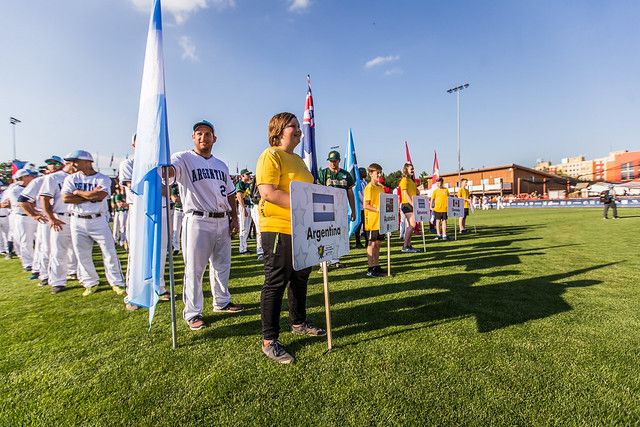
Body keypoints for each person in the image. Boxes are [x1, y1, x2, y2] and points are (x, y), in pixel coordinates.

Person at [256, 112, 326, 364]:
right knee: (276, 281)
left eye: (298, 125)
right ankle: (269, 340)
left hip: (302, 229)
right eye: (293, 126)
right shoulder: (271, 155)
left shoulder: (298, 160)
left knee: (300, 277)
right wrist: (305, 206)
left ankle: (298, 322)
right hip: (278, 227)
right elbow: (268, 192)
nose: (298, 129)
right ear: (278, 130)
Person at [166, 119, 244, 330]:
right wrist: (165, 168)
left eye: (207, 134)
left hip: (221, 219)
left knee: (222, 265)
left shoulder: (221, 164)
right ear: (193, 137)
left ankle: (222, 301)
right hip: (197, 219)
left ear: (214, 138)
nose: (203, 137)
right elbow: (169, 175)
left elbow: (230, 193)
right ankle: (192, 312)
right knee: (194, 269)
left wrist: (234, 217)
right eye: (199, 133)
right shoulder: (183, 158)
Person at [61, 150, 126, 297]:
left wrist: (77, 192)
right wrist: (89, 196)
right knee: (82, 254)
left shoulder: (102, 178)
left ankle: (116, 282)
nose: (73, 164)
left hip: (98, 219)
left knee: (109, 252)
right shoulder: (71, 178)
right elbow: (66, 198)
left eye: (75, 161)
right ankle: (90, 282)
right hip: (77, 219)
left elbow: (100, 196)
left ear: (87, 162)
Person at [40, 157, 79, 294]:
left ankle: (79, 274)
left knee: (78, 249)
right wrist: (51, 218)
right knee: (58, 251)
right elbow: (44, 198)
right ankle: (57, 281)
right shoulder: (54, 177)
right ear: (69, 163)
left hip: (78, 216)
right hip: (60, 216)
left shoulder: (80, 176)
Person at [317, 150, 356, 266]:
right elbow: (318, 191)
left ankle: (335, 259)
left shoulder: (346, 174)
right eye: (331, 161)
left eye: (335, 161)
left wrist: (353, 210)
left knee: (337, 235)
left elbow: (350, 193)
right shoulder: (323, 173)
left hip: (341, 209)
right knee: (324, 235)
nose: (332, 163)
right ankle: (323, 261)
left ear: (339, 160)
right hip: (326, 210)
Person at [5, 169, 38, 271]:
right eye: (30, 175)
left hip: (36, 215)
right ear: (24, 177)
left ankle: (38, 261)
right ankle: (28, 263)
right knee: (25, 241)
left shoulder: (34, 187)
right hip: (23, 216)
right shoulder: (14, 189)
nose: (33, 177)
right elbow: (20, 205)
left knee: (39, 240)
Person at [363, 163, 386, 277]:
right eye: (377, 173)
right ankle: (370, 267)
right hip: (371, 221)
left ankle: (376, 265)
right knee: (371, 244)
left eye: (380, 172)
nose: (379, 175)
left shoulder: (380, 187)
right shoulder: (369, 188)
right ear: (371, 174)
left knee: (378, 244)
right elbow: (366, 205)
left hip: (380, 221)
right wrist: (377, 209)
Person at [398, 163, 418, 252]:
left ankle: (409, 245)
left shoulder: (411, 181)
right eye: (411, 169)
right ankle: (405, 246)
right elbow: (405, 194)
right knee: (412, 224)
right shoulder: (404, 180)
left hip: (412, 204)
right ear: (406, 169)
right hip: (407, 204)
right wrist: (412, 204)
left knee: (411, 225)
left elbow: (414, 192)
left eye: (413, 169)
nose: (413, 170)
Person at [235, 168, 254, 255]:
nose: (249, 175)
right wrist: (243, 209)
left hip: (249, 206)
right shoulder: (240, 183)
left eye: (249, 174)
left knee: (247, 228)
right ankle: (242, 249)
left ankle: (244, 247)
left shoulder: (248, 184)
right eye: (247, 174)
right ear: (242, 175)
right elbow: (239, 196)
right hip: (244, 207)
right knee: (243, 228)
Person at [248, 175, 264, 261]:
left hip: (261, 205)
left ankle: (265, 250)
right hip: (257, 205)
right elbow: (254, 196)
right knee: (259, 231)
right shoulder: (258, 178)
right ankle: (260, 252)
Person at [354, 167, 367, 248]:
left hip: (366, 207)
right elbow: (359, 195)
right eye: (364, 172)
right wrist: (365, 203)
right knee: (359, 226)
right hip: (360, 208)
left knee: (366, 225)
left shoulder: (365, 182)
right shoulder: (357, 183)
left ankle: (367, 241)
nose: (365, 173)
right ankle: (358, 242)